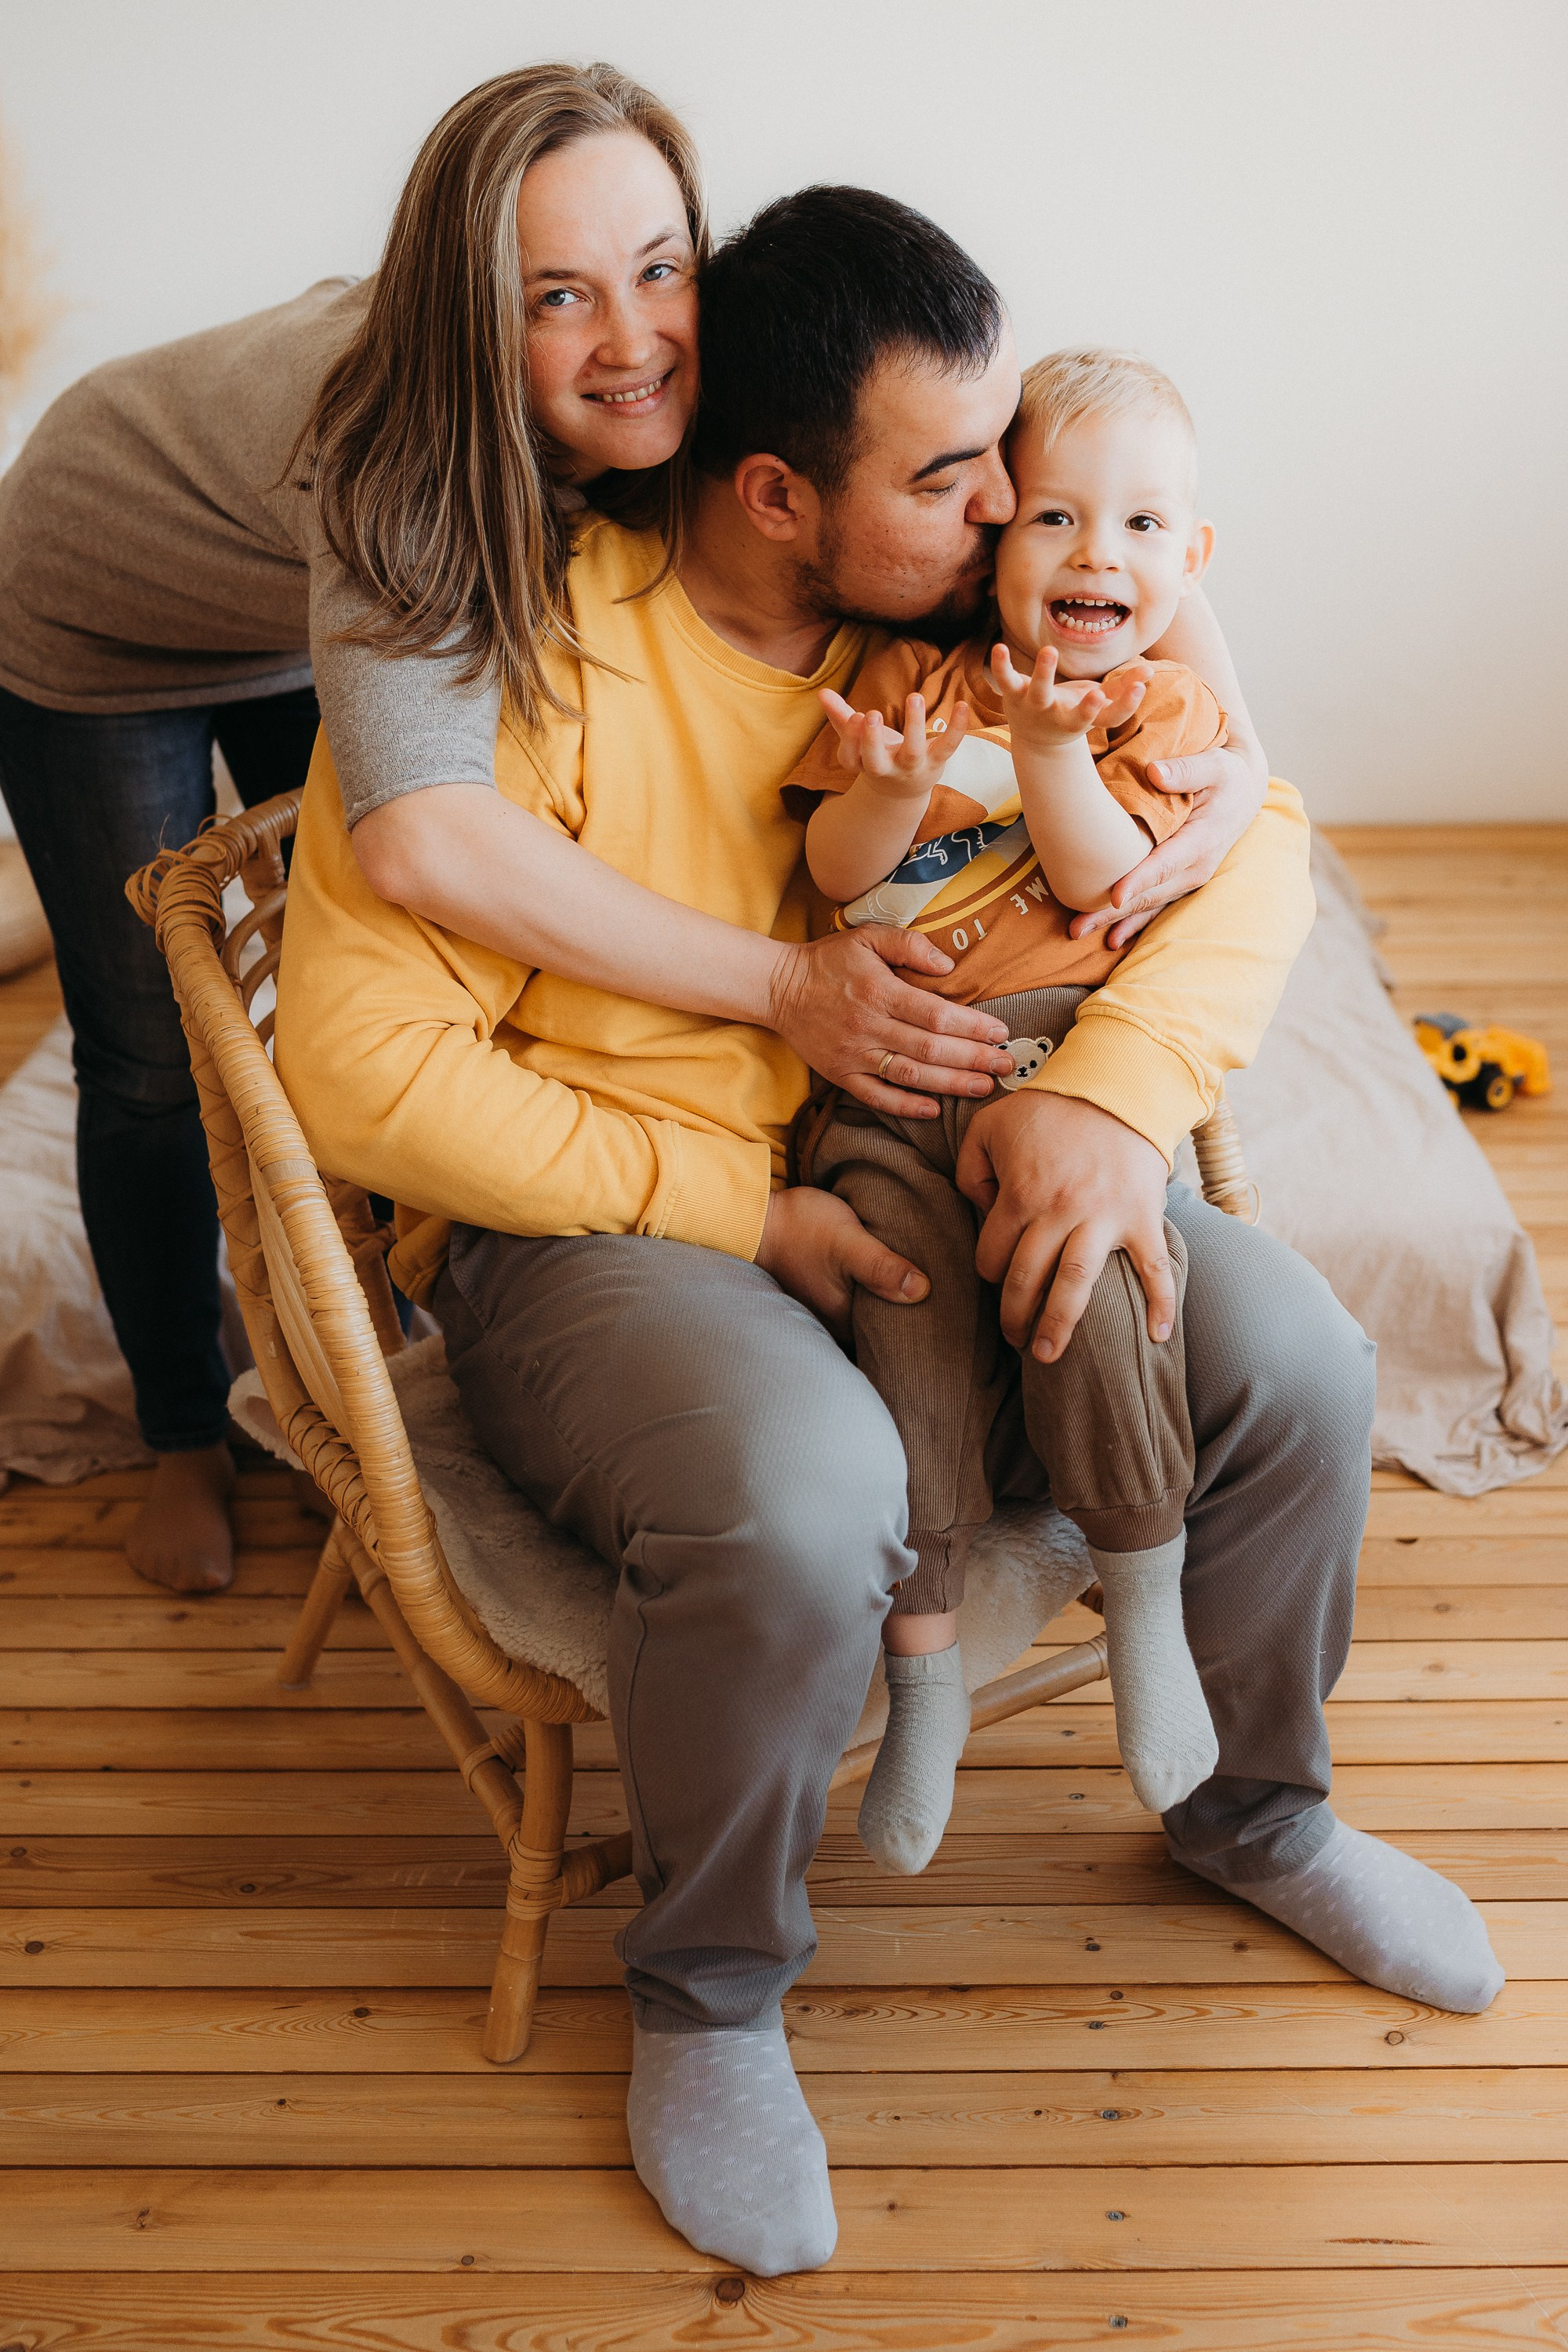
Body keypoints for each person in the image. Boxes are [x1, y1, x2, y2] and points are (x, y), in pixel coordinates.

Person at [274, 183, 1504, 2278]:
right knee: (808, 1488)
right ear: (778, 494)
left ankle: (1257, 1810)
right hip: (609, 1223)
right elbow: (365, 1080)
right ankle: (713, 1986)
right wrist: (735, 1214)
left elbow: (1260, 846)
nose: (1021, 504)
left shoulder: (962, 634)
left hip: (947, 1158)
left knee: (1292, 1361)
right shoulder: (535, 663)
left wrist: (1114, 1107)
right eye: (960, 477)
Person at [0, 62, 1022, 1593]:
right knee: (162, 1049)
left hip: (297, 608)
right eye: (557, 296)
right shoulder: (392, 461)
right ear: (468, 307)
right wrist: (775, 985)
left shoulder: (677, 396)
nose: (632, 340)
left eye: (660, 270)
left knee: (337, 982)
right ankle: (177, 1430)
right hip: (100, 616)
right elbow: (424, 839)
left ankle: (387, 1294)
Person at [789, 345, 1227, 1871]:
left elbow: (1112, 881)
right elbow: (838, 875)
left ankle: (1147, 1598)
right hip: (890, 1065)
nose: (1097, 555)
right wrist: (897, 786)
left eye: (1141, 528)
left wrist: (1047, 755)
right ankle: (924, 1678)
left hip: (1049, 1051)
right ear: (995, 540)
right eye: (1054, 517)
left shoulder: (1156, 705)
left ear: (1191, 560)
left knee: (1087, 1295)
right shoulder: (911, 678)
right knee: (903, 1313)